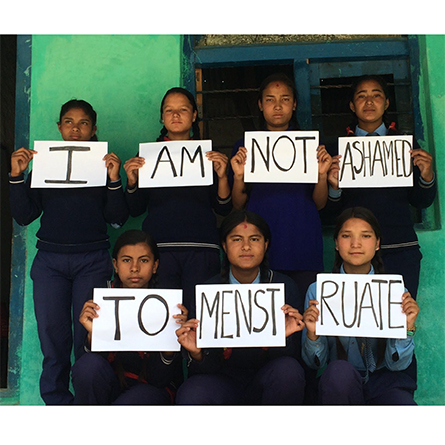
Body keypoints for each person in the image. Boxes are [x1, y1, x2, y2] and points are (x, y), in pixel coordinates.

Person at [8, 99, 129, 405]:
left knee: (87, 336)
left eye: (84, 123)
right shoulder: (45, 164)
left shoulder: (103, 166)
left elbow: (116, 218)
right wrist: (16, 176)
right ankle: (58, 406)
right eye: (69, 123)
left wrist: (114, 179)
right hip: (50, 261)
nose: (76, 130)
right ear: (59, 127)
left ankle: (89, 404)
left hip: (92, 260)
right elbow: (24, 215)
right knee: (52, 337)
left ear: (94, 130)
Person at [322, 75, 436, 299]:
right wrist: (334, 187)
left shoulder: (406, 145)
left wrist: (426, 175)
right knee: (356, 321)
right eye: (361, 96)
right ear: (352, 106)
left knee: (401, 320)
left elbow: (421, 201)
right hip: (356, 253)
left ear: (386, 103)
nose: (369, 101)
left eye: (376, 95)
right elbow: (328, 212)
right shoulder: (337, 148)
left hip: (400, 248)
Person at [175, 210, 306, 405]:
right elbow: (202, 370)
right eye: (236, 239)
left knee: (289, 371)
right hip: (221, 381)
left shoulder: (284, 287)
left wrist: (284, 338)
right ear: (224, 246)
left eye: (254, 239)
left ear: (266, 244)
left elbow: (292, 360)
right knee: (192, 392)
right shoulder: (208, 291)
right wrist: (197, 353)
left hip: (267, 377)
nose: (246, 247)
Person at [124, 87, 232, 316]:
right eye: (169, 110)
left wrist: (222, 176)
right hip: (159, 251)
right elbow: (135, 210)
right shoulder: (147, 157)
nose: (175, 115)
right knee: (163, 320)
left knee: (201, 320)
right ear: (162, 117)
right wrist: (132, 181)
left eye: (182, 109)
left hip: (202, 249)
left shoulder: (208, 155)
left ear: (194, 115)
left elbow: (224, 207)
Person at [302, 207, 419, 405]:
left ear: (377, 243)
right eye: (346, 236)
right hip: (339, 381)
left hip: (385, 380)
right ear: (337, 244)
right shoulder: (317, 291)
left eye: (365, 236)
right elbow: (315, 363)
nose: (356, 244)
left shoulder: (395, 290)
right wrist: (313, 334)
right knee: (339, 372)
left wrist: (407, 329)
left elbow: (398, 365)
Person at [230, 73, 332, 298]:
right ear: (260, 105)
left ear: (294, 104)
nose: (277, 106)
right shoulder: (245, 147)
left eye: (285, 99)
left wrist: (322, 176)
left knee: (305, 316)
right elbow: (238, 206)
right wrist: (238, 177)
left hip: (303, 241)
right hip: (261, 246)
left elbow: (320, 204)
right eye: (270, 99)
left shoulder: (312, 146)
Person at [71, 229, 187, 405]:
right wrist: (93, 335)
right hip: (110, 384)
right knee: (88, 366)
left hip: (152, 390)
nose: (134, 268)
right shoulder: (101, 300)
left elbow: (160, 380)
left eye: (144, 260)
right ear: (115, 265)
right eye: (126, 260)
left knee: (138, 399)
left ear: (155, 266)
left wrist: (170, 342)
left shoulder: (169, 306)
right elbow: (86, 371)